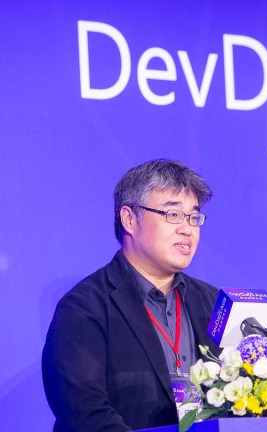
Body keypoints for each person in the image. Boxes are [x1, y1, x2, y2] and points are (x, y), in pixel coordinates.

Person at [42, 159, 222, 432]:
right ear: (129, 219)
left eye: (194, 217)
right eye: (173, 214)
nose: (187, 229)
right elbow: (86, 414)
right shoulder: (83, 308)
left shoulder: (213, 303)